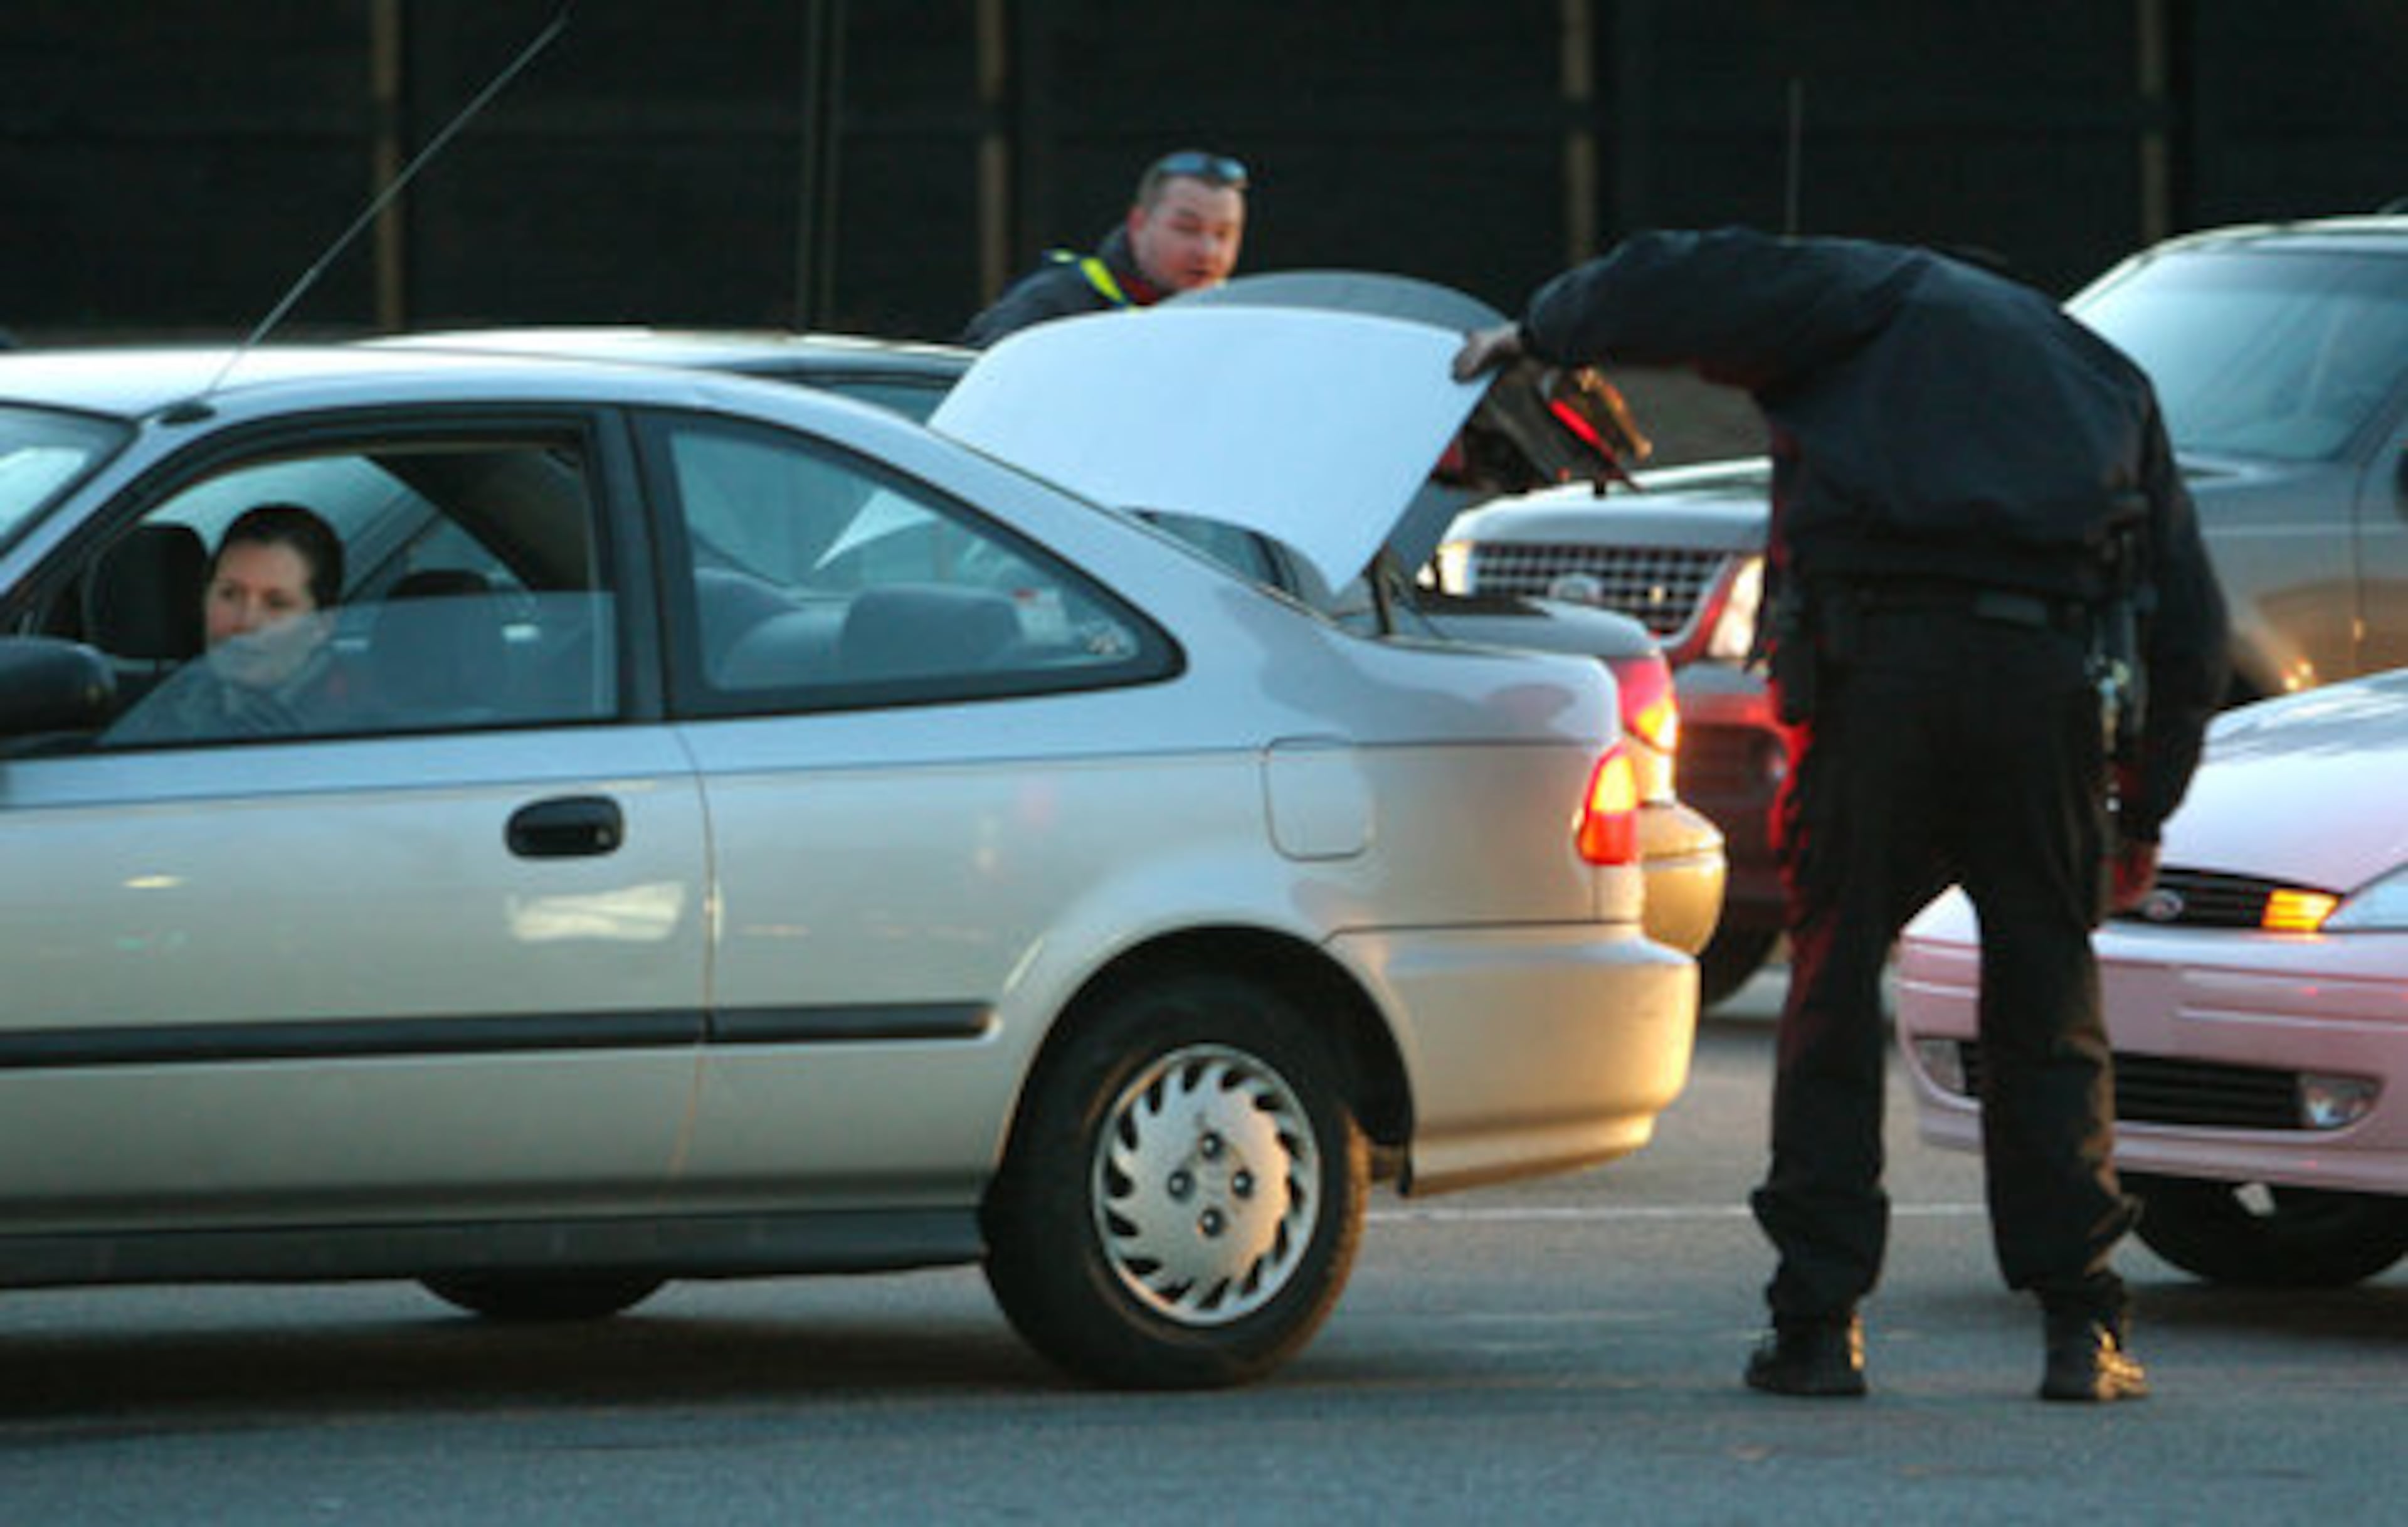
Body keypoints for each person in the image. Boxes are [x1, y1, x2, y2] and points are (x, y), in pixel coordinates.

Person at [1457, 227, 2229, 1404]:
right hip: (2046, 698)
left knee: (1828, 993)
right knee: (2046, 1006)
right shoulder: (2101, 369)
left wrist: (1543, 329)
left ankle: (1817, 1329)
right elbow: (2192, 627)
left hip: (1872, 688)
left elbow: (1665, 275)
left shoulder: (1858, 295)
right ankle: (2083, 1331)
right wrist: (2144, 810)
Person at [107, 502, 349, 743]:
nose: (246, 622)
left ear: (322, 625)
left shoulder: (356, 729)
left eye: (277, 604)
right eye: (230, 594)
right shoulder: (172, 702)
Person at [960, 149, 1247, 346]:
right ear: (1139, 224)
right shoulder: (1053, 304)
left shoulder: (1244, 321)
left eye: (1224, 234)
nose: (1208, 252)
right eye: (1187, 229)